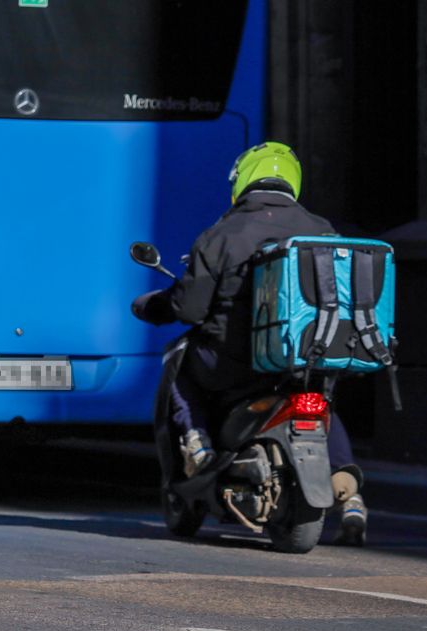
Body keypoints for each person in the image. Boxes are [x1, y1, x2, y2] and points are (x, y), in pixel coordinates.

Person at [133, 141, 367, 544]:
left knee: (181, 371)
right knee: (316, 397)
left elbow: (189, 309)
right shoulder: (323, 231)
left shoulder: (222, 234)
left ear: (242, 182)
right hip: (303, 361)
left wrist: (151, 306)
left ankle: (199, 446)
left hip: (233, 364)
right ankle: (350, 489)